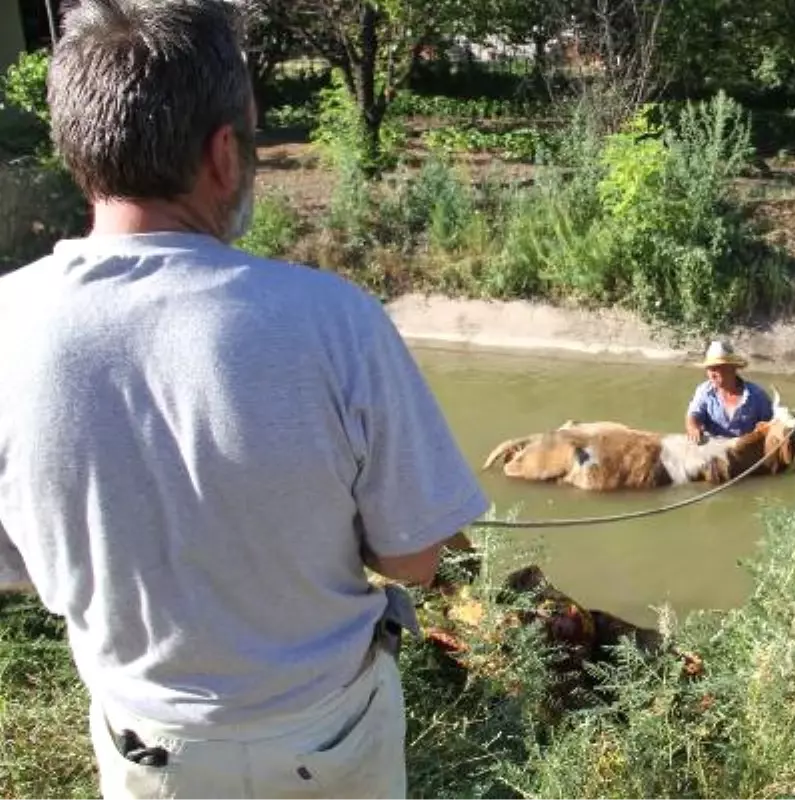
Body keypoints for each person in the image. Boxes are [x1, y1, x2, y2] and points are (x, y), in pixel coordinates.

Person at [0, 1, 489, 798]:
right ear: (224, 155)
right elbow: (415, 558)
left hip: (148, 750)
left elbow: (16, 563)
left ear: (79, 152)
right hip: (330, 739)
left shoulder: (5, 325)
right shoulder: (335, 320)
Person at [684, 340, 775, 443]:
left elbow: (771, 425)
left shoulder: (757, 395)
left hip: (745, 451)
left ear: (732, 368)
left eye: (716, 368)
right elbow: (693, 414)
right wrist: (693, 427)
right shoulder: (704, 390)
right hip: (713, 450)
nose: (712, 374)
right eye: (709, 369)